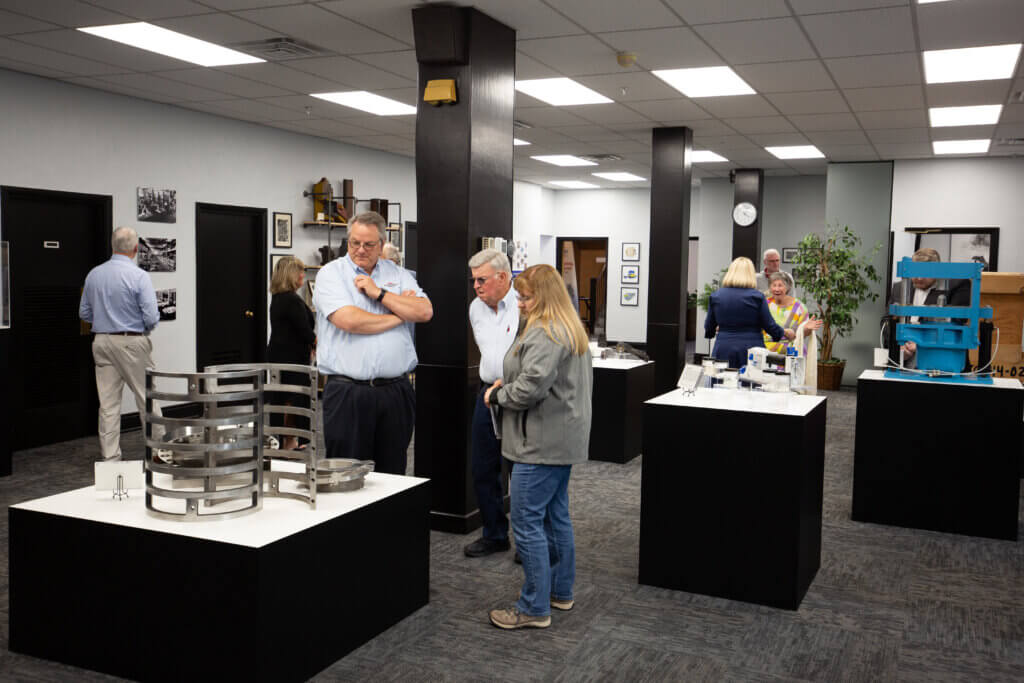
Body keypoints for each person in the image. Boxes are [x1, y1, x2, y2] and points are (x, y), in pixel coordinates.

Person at [484, 264, 593, 630]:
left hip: (540, 444)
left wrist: (499, 394)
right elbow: (542, 377)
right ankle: (560, 592)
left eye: (527, 296)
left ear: (543, 297)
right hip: (559, 440)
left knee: (528, 522)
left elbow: (531, 388)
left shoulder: (547, 331)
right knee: (555, 516)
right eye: (520, 296)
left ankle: (533, 608)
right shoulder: (568, 327)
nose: (521, 303)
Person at [312, 211, 432, 475]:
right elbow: (350, 320)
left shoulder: (398, 274)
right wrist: (400, 314)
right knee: (345, 474)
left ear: (381, 244)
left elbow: (424, 311)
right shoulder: (331, 275)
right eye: (355, 243)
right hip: (348, 393)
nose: (360, 250)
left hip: (396, 392)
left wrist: (379, 293)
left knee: (393, 474)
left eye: (369, 245)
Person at [78, 226, 162, 461]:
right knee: (147, 397)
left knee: (108, 405)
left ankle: (111, 459)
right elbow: (152, 317)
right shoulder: (139, 276)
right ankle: (158, 453)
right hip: (131, 342)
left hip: (101, 341)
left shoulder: (94, 274)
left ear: (113, 246)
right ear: (135, 249)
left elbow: (84, 312)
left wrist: (106, 320)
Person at [464, 248, 519, 559]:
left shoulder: (524, 306)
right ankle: (495, 534)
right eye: (473, 280)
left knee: (521, 472)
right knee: (483, 467)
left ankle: (529, 543)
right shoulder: (476, 308)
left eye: (481, 280)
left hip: (517, 394)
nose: (476, 286)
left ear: (502, 277)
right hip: (486, 395)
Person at [885, 247, 969, 369]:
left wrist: (921, 343)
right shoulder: (899, 288)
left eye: (924, 273)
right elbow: (887, 321)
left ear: (937, 270)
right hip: (901, 359)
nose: (918, 278)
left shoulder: (958, 286)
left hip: (942, 361)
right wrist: (897, 348)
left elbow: (956, 322)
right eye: (915, 272)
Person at [705, 256, 796, 368]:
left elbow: (709, 328)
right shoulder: (757, 297)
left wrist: (719, 330)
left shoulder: (716, 296)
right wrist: (785, 333)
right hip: (752, 350)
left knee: (722, 381)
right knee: (751, 383)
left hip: (723, 347)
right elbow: (769, 325)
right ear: (750, 274)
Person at [268, 255, 316, 451]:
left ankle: (287, 441)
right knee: (293, 399)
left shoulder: (278, 298)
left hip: (279, 356)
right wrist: (317, 343)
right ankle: (292, 441)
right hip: (292, 359)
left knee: (283, 399)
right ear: (291, 275)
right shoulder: (292, 300)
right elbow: (304, 331)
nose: (303, 275)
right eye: (301, 272)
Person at [763, 271, 822, 354]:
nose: (776, 289)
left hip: (791, 353)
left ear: (788, 287)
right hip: (766, 353)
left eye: (780, 285)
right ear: (770, 287)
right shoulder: (764, 304)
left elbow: (802, 335)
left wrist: (807, 329)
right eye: (774, 285)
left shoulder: (799, 307)